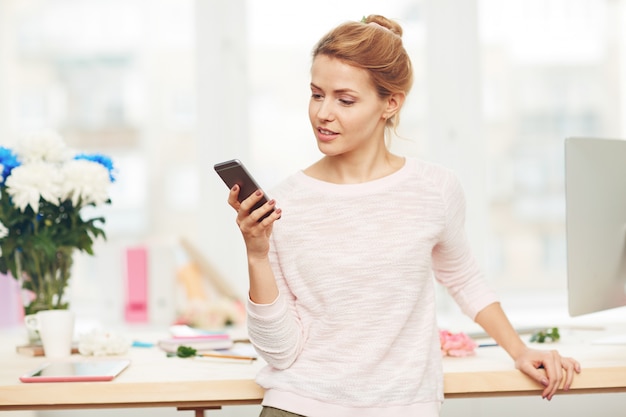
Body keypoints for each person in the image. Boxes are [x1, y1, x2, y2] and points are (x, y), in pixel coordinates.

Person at [226, 14, 581, 417]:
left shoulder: (434, 189)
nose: (323, 113)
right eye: (315, 94)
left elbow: (463, 279)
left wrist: (519, 349)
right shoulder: (284, 203)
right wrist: (256, 254)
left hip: (403, 407)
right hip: (299, 405)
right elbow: (280, 351)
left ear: (390, 103)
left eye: (345, 99)